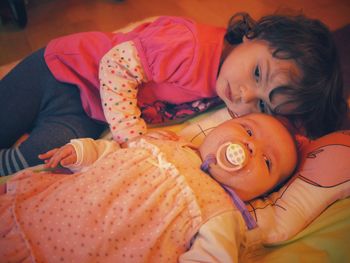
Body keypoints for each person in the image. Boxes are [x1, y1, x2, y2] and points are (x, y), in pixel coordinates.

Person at [0, 13, 346, 176]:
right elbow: (115, 65)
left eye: (261, 103)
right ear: (255, 34)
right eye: (257, 73)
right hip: (60, 70)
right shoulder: (191, 48)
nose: (243, 95)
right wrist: (132, 138)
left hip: (86, 113)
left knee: (38, 159)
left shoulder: (225, 88)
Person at [0, 113, 297, 262]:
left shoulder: (221, 215)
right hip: (47, 213)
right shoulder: (168, 141)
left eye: (268, 162)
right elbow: (116, 154)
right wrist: (83, 152)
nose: (250, 147)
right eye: (247, 130)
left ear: (261, 193)